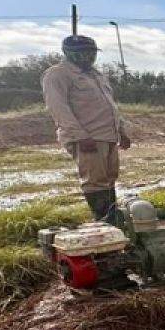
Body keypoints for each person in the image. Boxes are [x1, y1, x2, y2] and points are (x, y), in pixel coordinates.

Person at [42, 35, 131, 223]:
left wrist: (121, 131)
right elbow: (58, 108)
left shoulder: (96, 75)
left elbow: (110, 105)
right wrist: (80, 135)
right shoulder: (58, 74)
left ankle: (113, 219)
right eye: (83, 53)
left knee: (109, 178)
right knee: (95, 179)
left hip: (107, 135)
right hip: (88, 136)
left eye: (91, 53)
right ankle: (103, 220)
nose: (89, 57)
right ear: (69, 53)